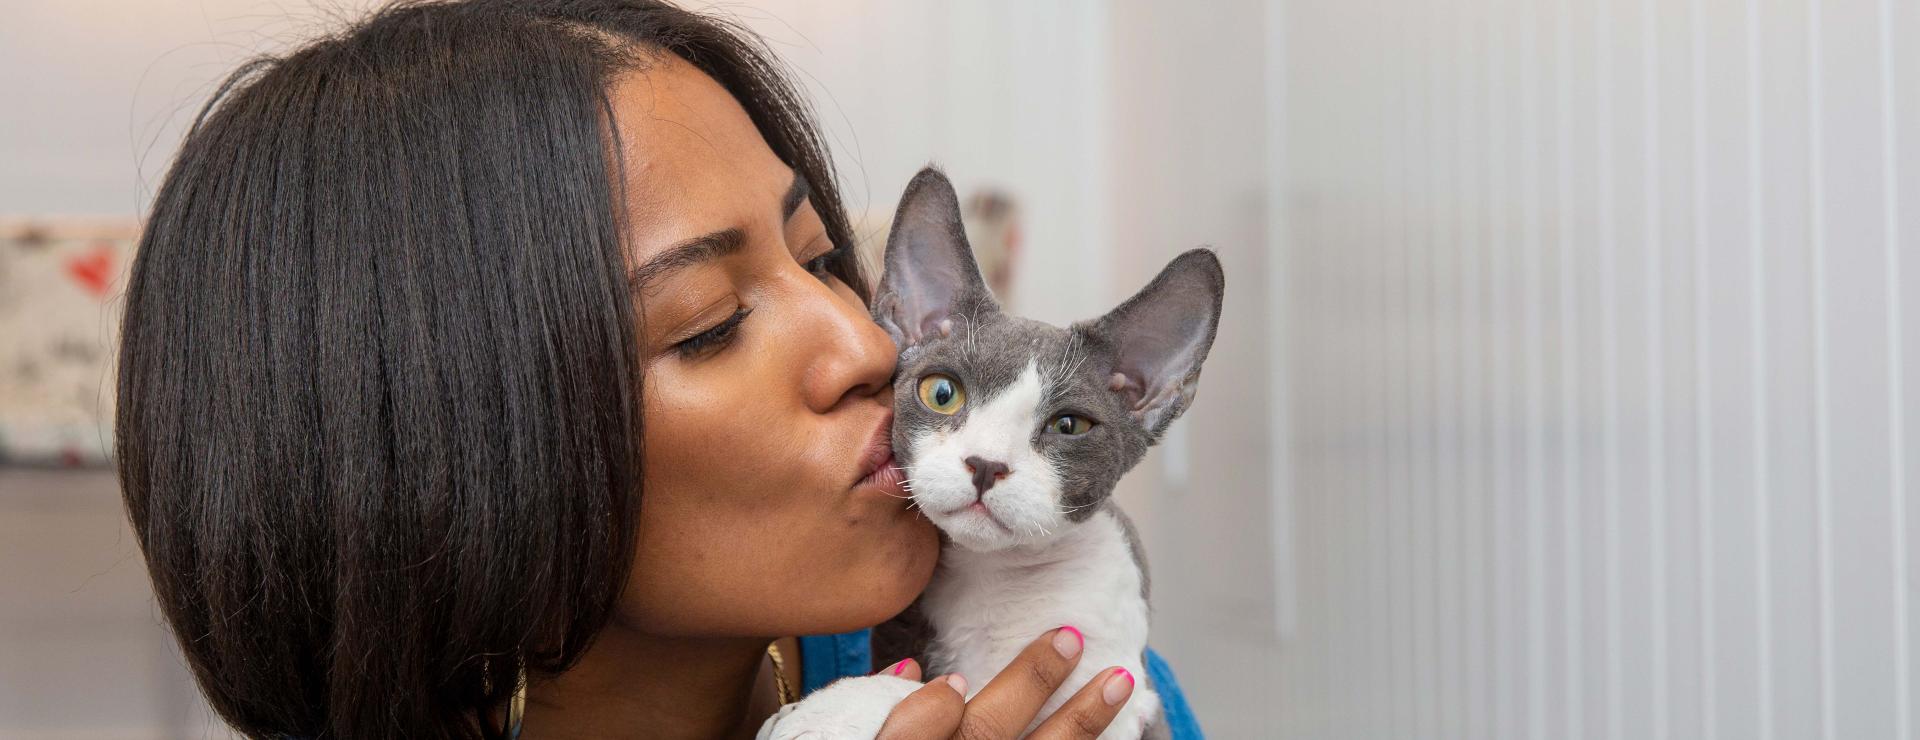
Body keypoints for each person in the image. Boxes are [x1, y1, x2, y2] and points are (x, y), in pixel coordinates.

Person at [113, 1, 1200, 737]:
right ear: (446, 462)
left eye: (824, 260)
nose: (870, 348)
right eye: (712, 324)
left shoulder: (1050, 674)